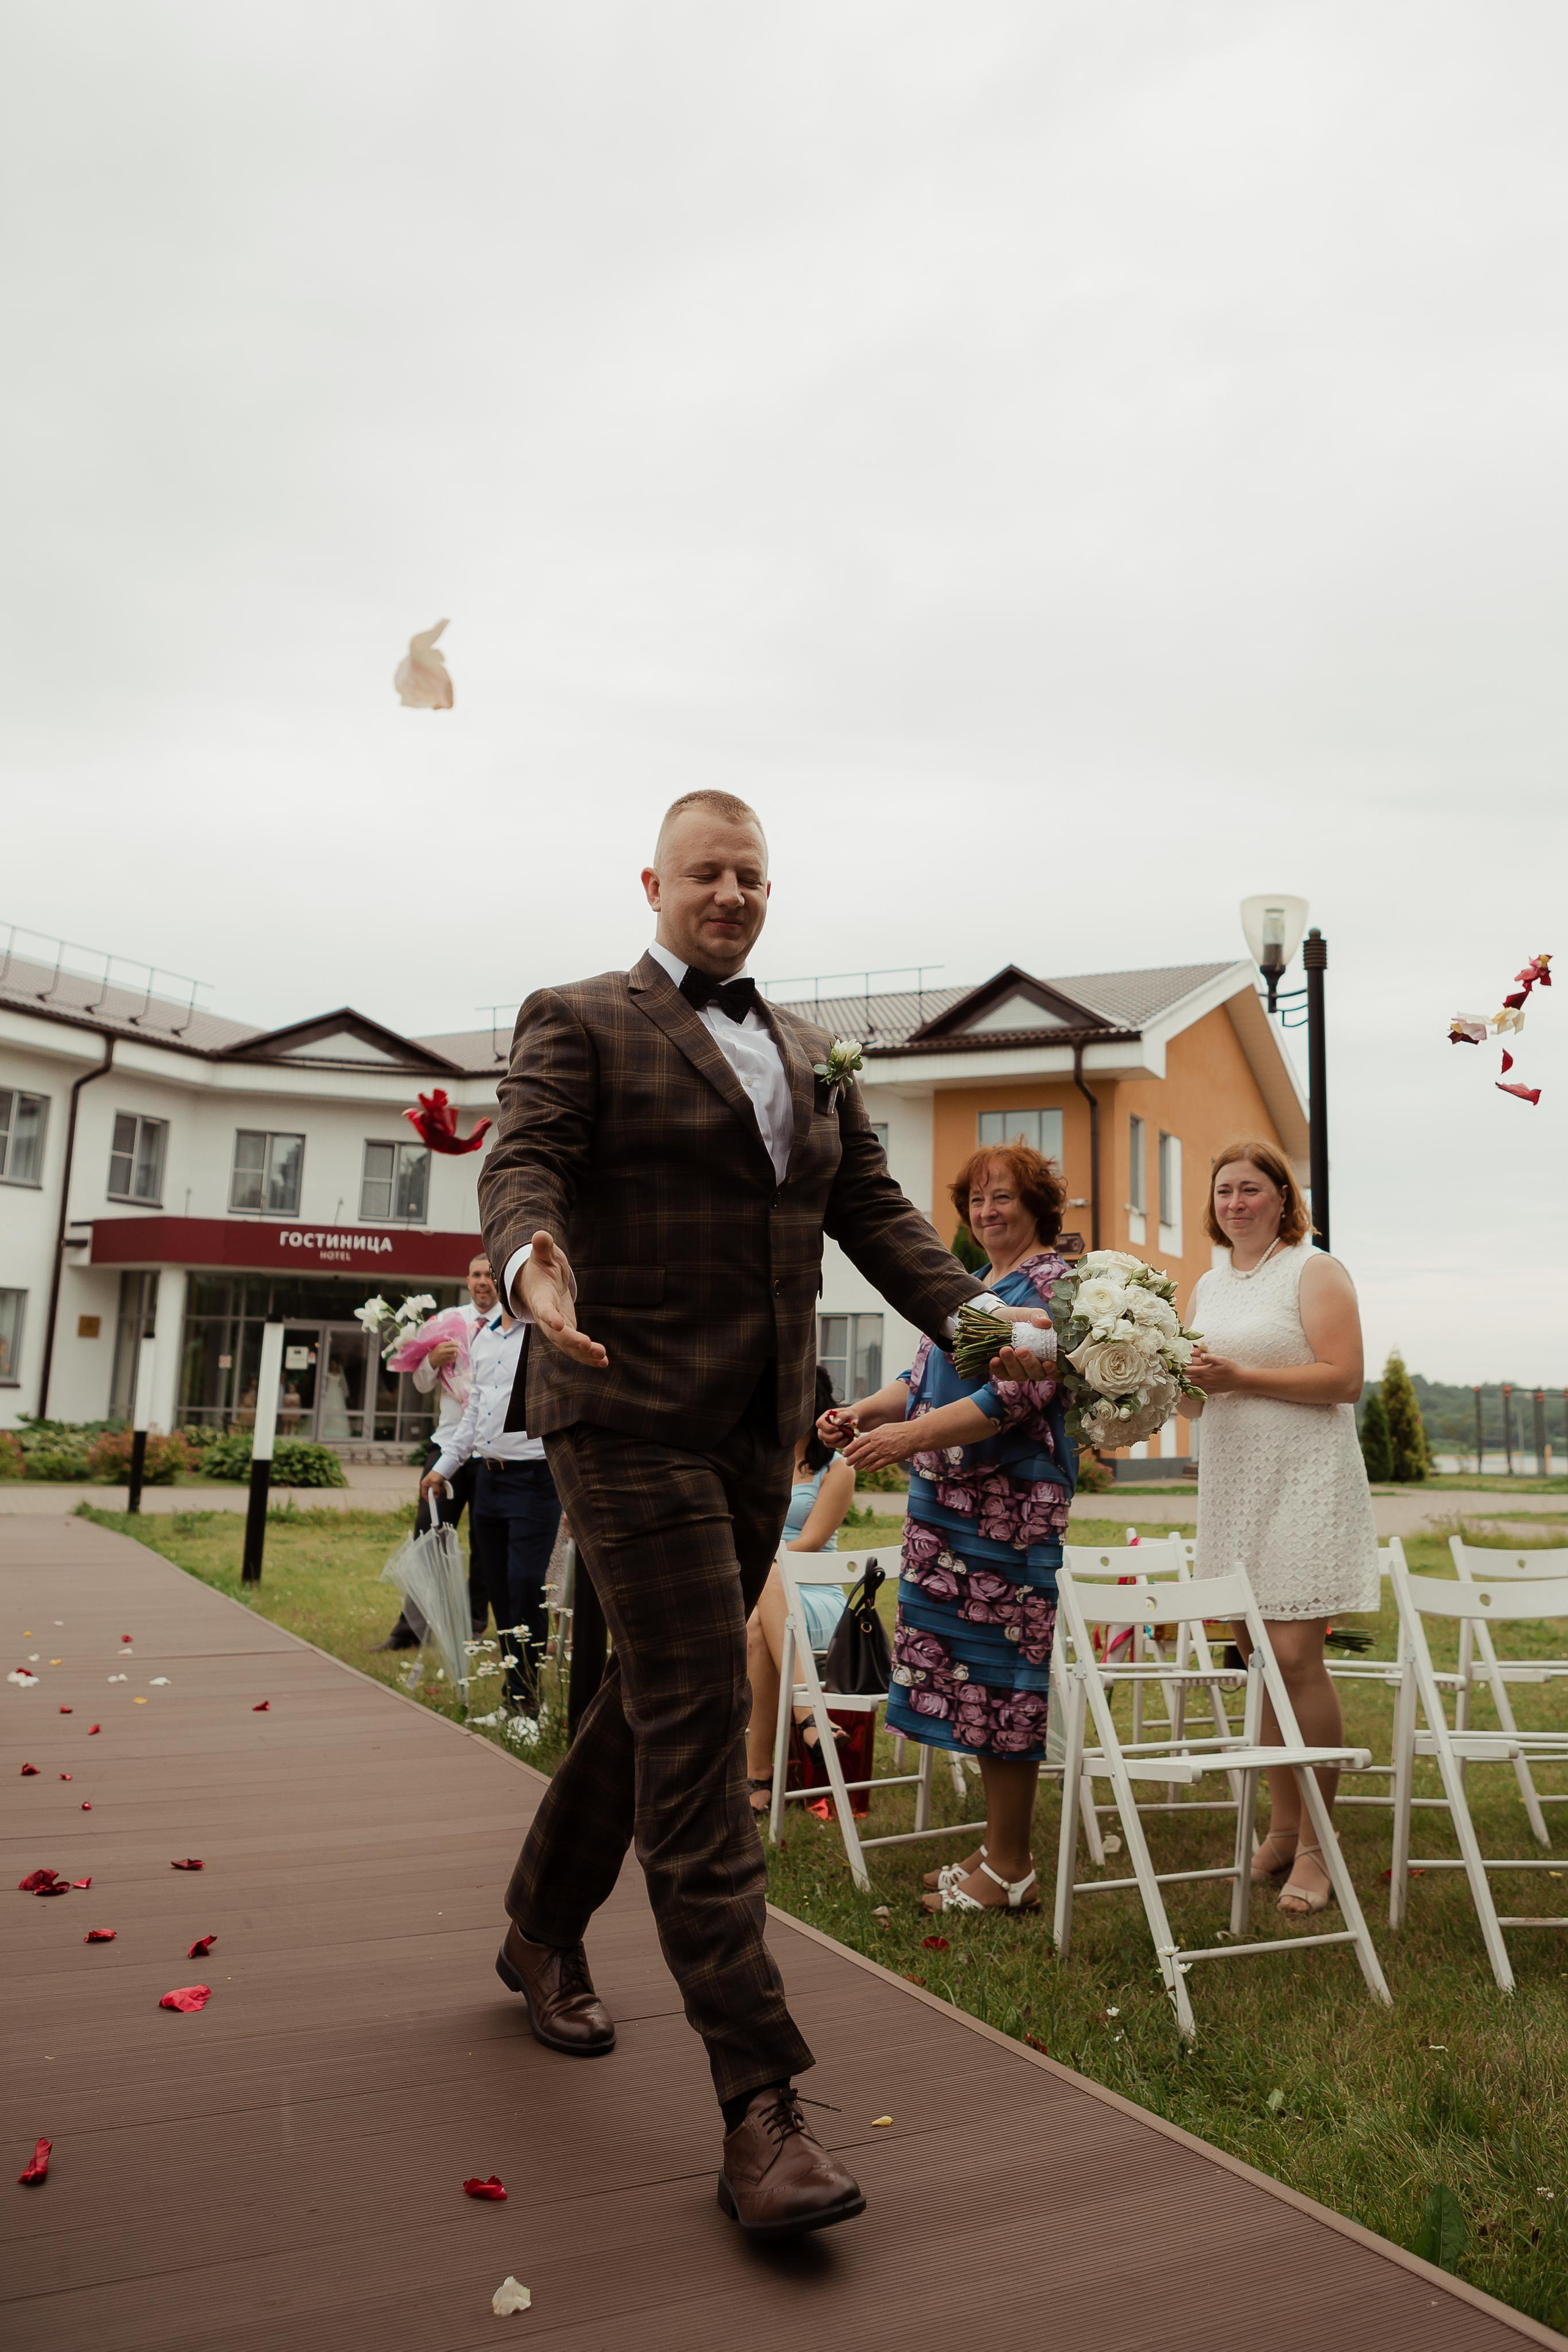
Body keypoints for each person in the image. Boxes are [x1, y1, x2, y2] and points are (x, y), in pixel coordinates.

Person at [478, 790, 1038, 2238]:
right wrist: (531, 1261)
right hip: (617, 1409)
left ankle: (540, 1924)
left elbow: (882, 1220)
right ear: (653, 881)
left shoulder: (806, 1049)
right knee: (689, 1720)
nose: (728, 893)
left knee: (644, 1701)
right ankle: (759, 2102)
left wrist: (993, 1326)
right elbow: (523, 1159)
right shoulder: (579, 1015)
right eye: (704, 872)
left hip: (754, 1433)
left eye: (750, 875)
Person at [830, 1142, 1071, 1917]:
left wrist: (906, 1437)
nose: (986, 1211)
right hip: (949, 1512)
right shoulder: (974, 1288)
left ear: (1037, 1204)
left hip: (1006, 1519)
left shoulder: (1055, 1285)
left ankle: (1008, 1869)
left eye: (1002, 1197)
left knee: (1005, 1682)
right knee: (971, 1681)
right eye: (975, 1199)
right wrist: (866, 1412)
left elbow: (1019, 1400)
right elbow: (921, 1374)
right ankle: (1002, 1853)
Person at [1185, 1139, 1379, 1918]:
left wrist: (1243, 1378)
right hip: (1232, 1482)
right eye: (1224, 1189)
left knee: (1296, 1654)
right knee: (1255, 1657)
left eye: (1251, 1189)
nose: (1236, 1202)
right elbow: (1199, 1397)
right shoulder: (1203, 1284)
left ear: (1280, 1197)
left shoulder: (1313, 1268)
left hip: (1304, 1477)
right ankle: (1281, 1823)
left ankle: (1317, 1848)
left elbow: (1346, 1378)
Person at [423, 1305, 562, 1709]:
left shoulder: (542, 1336)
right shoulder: (483, 1339)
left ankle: (527, 1701)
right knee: (500, 1589)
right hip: (489, 1479)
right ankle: (514, 1694)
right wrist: (442, 1469)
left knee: (526, 1583)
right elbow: (472, 1416)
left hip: (536, 1480)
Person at [744, 1364, 858, 1815]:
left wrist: (760, 1559)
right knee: (756, 1621)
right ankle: (809, 1721)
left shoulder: (838, 1468)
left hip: (815, 1593)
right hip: (759, 1592)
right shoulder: (757, 1461)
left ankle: (758, 1776)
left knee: (769, 1580)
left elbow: (809, 1542)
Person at [374, 1254, 497, 1653]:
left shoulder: (511, 1324)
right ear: (467, 1279)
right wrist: (430, 1360)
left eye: (491, 1275)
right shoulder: (449, 1320)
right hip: (447, 1447)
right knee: (427, 1536)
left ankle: (474, 1626)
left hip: (491, 1452)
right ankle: (409, 1629)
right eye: (478, 1274)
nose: (484, 1282)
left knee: (485, 1543)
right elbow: (424, 1385)